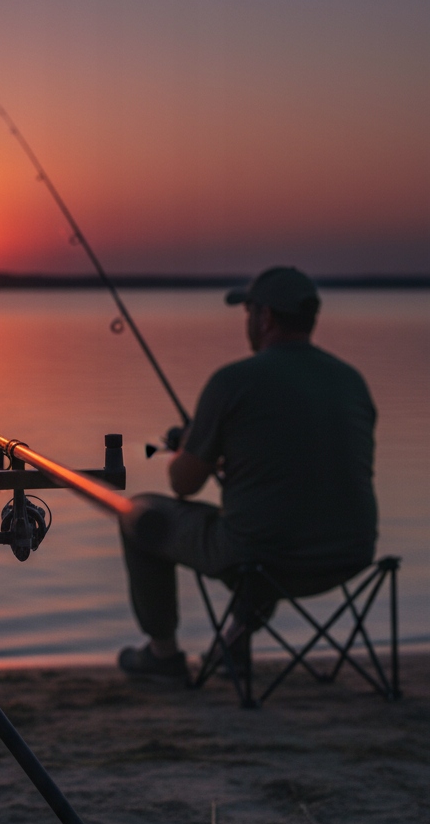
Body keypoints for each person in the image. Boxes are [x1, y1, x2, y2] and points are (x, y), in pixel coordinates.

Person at [117, 266, 378, 678]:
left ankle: (162, 654)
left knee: (140, 514)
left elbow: (183, 484)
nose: (248, 322)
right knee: (270, 519)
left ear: (266, 318)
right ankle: (233, 644)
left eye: (249, 312)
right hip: (349, 555)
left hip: (262, 560)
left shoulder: (233, 381)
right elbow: (310, 467)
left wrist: (188, 447)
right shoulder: (352, 382)